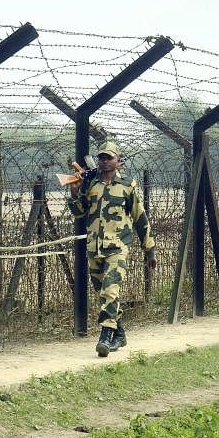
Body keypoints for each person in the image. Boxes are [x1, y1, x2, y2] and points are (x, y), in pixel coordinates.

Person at [66, 141, 155, 357]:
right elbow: (79, 212)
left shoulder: (127, 185)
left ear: (118, 161)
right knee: (104, 295)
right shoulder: (90, 183)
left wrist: (149, 249)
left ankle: (105, 337)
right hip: (94, 248)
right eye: (102, 157)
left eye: (109, 157)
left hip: (118, 247)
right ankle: (120, 333)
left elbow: (139, 217)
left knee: (110, 290)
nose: (105, 161)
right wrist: (75, 192)